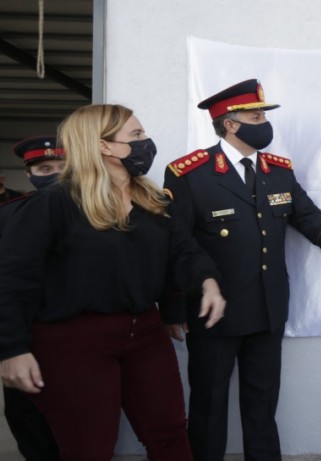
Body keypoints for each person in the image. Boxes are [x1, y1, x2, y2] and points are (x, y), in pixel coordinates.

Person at [0, 104, 227, 460]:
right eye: (136, 136)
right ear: (104, 146)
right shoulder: (53, 204)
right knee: (89, 447)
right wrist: (12, 349)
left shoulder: (151, 201)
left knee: (169, 434)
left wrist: (208, 282)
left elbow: (183, 251)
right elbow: (13, 279)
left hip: (145, 333)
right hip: (72, 341)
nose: (146, 142)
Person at [163, 79, 321, 460]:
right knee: (208, 405)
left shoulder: (278, 170)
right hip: (214, 314)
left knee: (262, 404)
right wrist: (172, 309)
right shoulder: (191, 173)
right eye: (255, 115)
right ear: (231, 124)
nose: (264, 122)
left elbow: (305, 213)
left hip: (268, 308)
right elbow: (176, 244)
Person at [0, 135, 66, 460]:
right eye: (45, 168)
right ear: (29, 175)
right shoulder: (8, 215)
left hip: (78, 335)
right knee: (29, 422)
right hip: (26, 335)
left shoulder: (99, 213)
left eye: (63, 167)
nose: (54, 174)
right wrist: (10, 347)